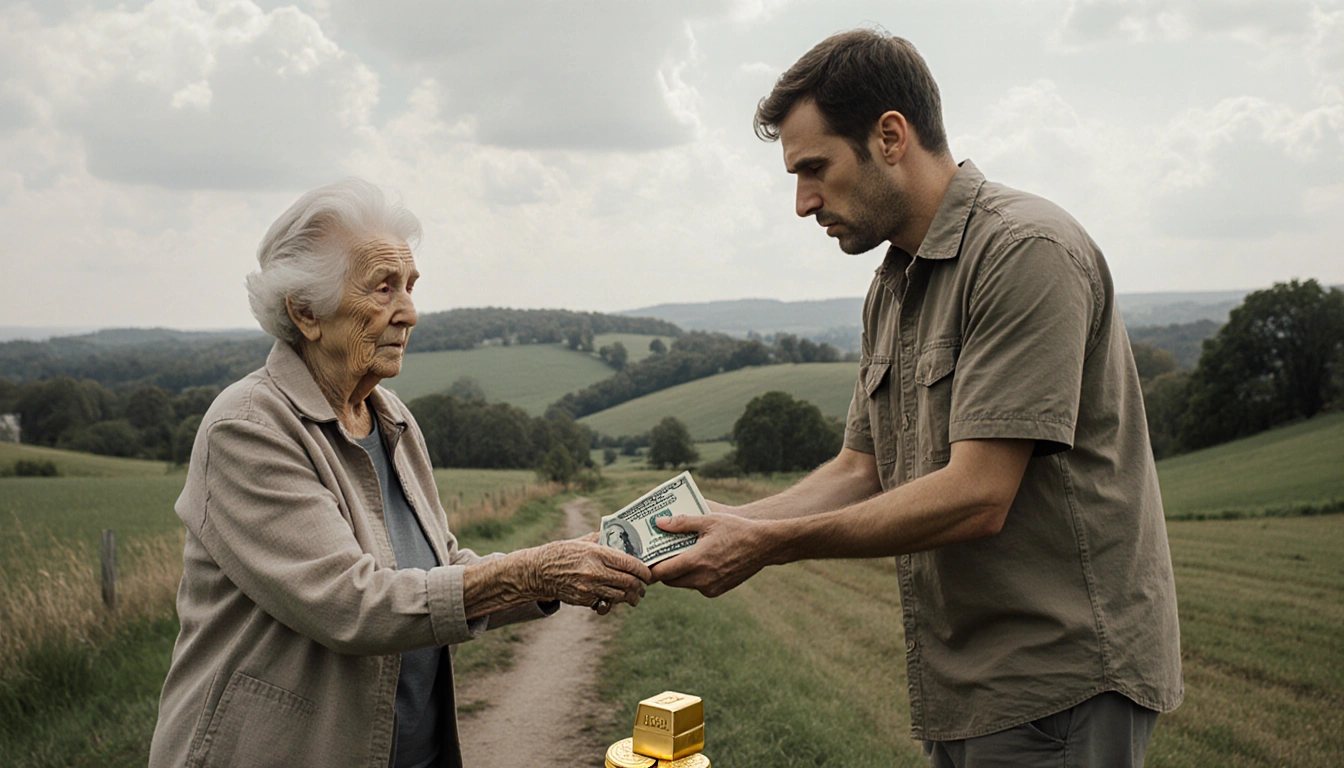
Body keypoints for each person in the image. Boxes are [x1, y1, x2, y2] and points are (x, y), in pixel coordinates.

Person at [651, 29, 1182, 767]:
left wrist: (765, 546)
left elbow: (978, 494)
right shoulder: (893, 285)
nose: (802, 203)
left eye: (814, 168)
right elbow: (857, 470)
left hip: (1057, 684)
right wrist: (706, 525)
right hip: (965, 682)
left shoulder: (1024, 250)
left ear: (890, 136)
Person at [148, 179, 652, 768]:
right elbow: (350, 603)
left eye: (410, 287)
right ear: (305, 311)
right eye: (383, 288)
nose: (409, 312)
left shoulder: (390, 419)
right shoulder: (247, 428)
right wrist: (533, 573)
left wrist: (568, 563)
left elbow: (439, 570)